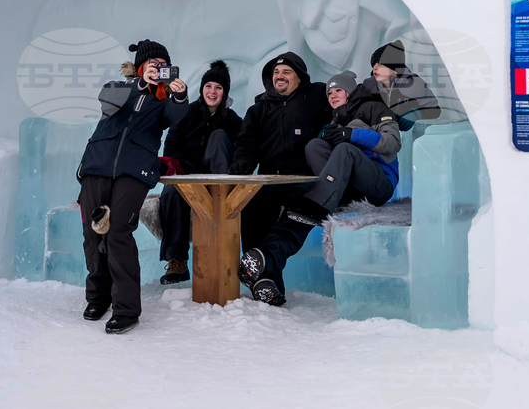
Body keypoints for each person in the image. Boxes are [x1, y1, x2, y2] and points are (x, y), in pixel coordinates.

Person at [238, 70, 401, 306]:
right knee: (314, 146)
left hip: (379, 184)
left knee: (343, 152)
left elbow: (393, 142)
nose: (333, 95)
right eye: (330, 92)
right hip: (348, 188)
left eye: (338, 90)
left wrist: (352, 135)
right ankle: (265, 259)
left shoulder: (373, 108)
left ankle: (318, 199)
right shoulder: (336, 119)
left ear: (350, 91)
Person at [77, 40, 188, 334]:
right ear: (140, 67)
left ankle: (126, 309)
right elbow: (108, 103)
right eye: (153, 64)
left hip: (136, 170)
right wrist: (139, 83)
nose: (158, 69)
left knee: (118, 233)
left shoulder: (163, 102)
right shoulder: (119, 88)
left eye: (163, 66)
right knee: (92, 232)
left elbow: (175, 117)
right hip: (96, 165)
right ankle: (98, 298)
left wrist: (180, 97)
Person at [228, 52, 331, 301]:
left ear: (299, 77)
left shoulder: (316, 98)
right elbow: (246, 145)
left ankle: (261, 260)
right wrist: (242, 162)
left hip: (303, 181)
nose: (279, 76)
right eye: (276, 72)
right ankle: (264, 280)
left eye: (286, 72)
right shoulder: (258, 109)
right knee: (251, 210)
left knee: (300, 218)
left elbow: (344, 101)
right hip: (268, 179)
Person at [158, 60, 243, 285]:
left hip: (219, 181)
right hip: (188, 176)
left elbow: (245, 147)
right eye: (209, 86)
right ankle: (177, 260)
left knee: (218, 137)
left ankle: (223, 252)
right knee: (170, 191)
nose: (212, 92)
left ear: (224, 92)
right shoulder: (186, 114)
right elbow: (171, 149)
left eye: (218, 87)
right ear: (202, 88)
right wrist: (186, 172)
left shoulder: (233, 120)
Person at [359, 40, 440, 130]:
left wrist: (416, 114)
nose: (374, 68)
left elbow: (435, 110)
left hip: (406, 139)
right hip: (376, 137)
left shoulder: (415, 85)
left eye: (380, 65)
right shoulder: (368, 85)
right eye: (374, 64)